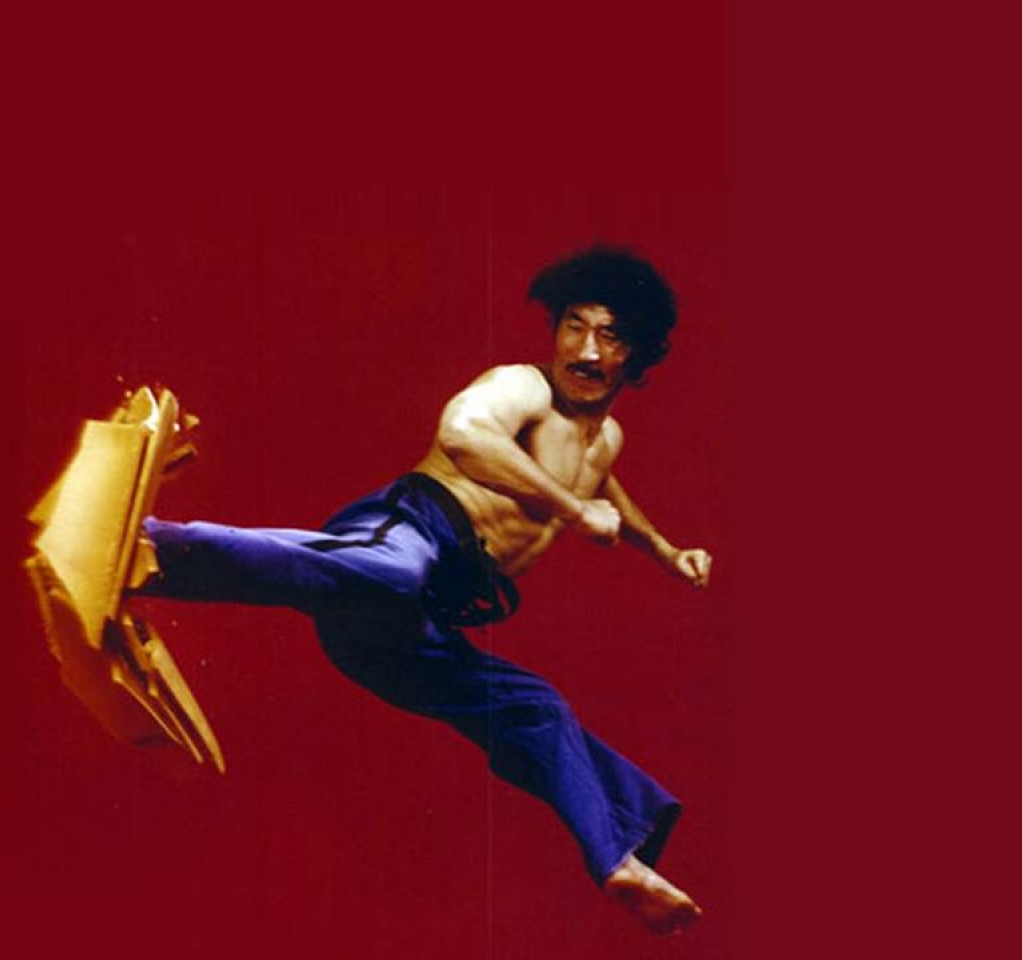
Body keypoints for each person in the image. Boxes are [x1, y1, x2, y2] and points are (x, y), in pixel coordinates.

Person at [136, 246, 712, 936]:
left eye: (610, 337)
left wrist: (665, 551)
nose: (586, 351)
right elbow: (463, 434)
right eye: (574, 326)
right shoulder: (522, 388)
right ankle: (152, 546)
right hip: (410, 532)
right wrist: (571, 510)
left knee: (534, 708)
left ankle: (618, 860)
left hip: (417, 619)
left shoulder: (604, 439)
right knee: (393, 570)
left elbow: (606, 491)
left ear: (636, 355)